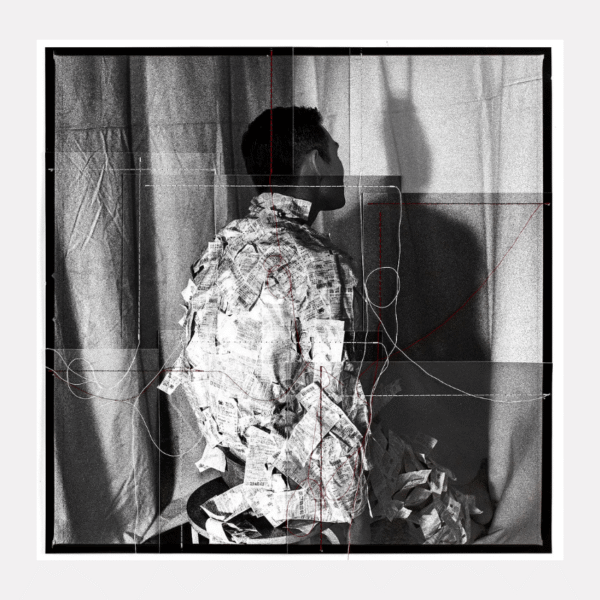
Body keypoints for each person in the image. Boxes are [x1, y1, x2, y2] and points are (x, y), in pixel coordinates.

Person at [161, 106, 490, 546]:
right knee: (457, 514)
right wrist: (355, 531)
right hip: (293, 479)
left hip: (235, 463)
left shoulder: (224, 245)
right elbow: (334, 413)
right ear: (316, 161)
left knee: (410, 465)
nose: (340, 168)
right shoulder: (320, 263)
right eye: (334, 154)